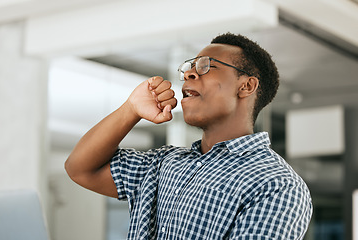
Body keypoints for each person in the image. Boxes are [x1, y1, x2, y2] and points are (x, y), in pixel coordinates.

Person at [65, 32, 313, 239]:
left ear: (246, 86)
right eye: (189, 67)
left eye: (206, 66)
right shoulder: (165, 163)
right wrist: (130, 109)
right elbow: (80, 168)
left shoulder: (276, 185)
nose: (189, 74)